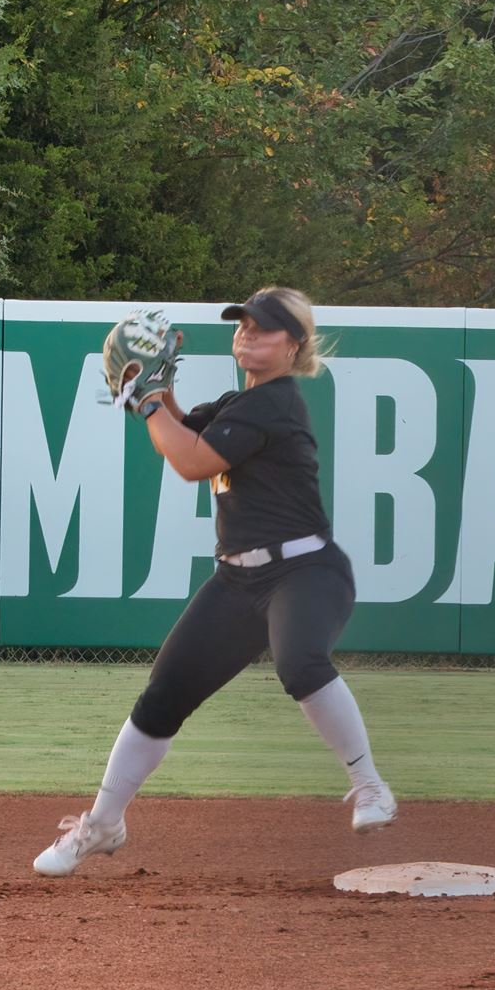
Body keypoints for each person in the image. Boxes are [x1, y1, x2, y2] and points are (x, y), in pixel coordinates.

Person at [33, 287, 396, 877]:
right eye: (243, 325)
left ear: (294, 347)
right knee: (162, 698)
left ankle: (370, 784)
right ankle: (102, 825)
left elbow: (191, 462)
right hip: (237, 582)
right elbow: (181, 428)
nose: (248, 334)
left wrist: (146, 397)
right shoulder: (238, 403)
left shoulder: (276, 402)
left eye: (265, 328)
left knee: (300, 664)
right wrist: (150, 392)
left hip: (305, 571)